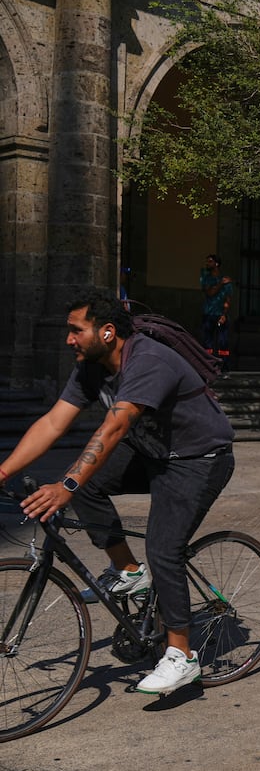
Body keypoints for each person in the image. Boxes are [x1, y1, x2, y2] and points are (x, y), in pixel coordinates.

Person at [0, 292, 235, 695]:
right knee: (85, 483)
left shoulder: (148, 360)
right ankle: (129, 571)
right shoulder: (91, 368)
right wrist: (3, 470)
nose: (69, 339)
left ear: (107, 332)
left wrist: (66, 485)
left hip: (198, 458)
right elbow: (53, 422)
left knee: (163, 548)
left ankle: (182, 656)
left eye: (76, 330)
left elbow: (114, 428)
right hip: (151, 450)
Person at [200, 254, 233, 371]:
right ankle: (207, 366)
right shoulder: (206, 277)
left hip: (220, 315)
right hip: (208, 314)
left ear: (216, 264)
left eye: (210, 261)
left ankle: (224, 368)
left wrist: (224, 314)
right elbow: (210, 292)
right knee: (207, 342)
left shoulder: (226, 281)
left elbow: (228, 300)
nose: (207, 264)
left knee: (223, 342)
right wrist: (220, 283)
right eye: (207, 261)